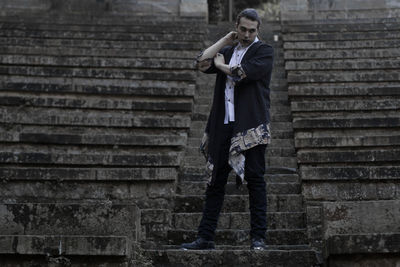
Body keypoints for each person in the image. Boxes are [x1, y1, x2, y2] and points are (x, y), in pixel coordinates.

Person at [181, 8, 274, 250]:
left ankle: (258, 238)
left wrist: (222, 66)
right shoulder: (229, 49)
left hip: (251, 125)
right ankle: (205, 237)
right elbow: (201, 63)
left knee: (255, 180)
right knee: (215, 182)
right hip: (223, 123)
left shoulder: (264, 51)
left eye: (251, 30)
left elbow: (241, 73)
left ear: (258, 30)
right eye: (242, 29)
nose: (246, 34)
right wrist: (224, 40)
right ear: (237, 26)